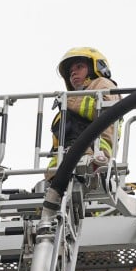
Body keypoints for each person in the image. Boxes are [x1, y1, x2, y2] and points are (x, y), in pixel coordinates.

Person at [46, 47, 118, 179]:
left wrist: (70, 101)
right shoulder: (69, 100)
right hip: (66, 157)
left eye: (79, 67)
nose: (73, 73)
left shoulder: (102, 83)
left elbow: (106, 111)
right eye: (71, 71)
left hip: (94, 153)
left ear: (96, 67)